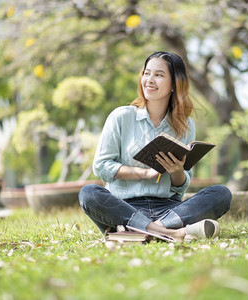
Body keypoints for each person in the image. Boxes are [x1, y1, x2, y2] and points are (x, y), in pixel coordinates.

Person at [79, 51, 232, 242]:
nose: (149, 80)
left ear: (175, 85)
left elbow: (179, 187)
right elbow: (101, 166)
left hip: (169, 210)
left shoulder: (185, 125)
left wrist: (177, 171)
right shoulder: (122, 117)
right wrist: (144, 173)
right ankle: (173, 233)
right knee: (89, 193)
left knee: (221, 193)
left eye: (158, 75)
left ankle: (141, 232)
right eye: (146, 73)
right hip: (124, 208)